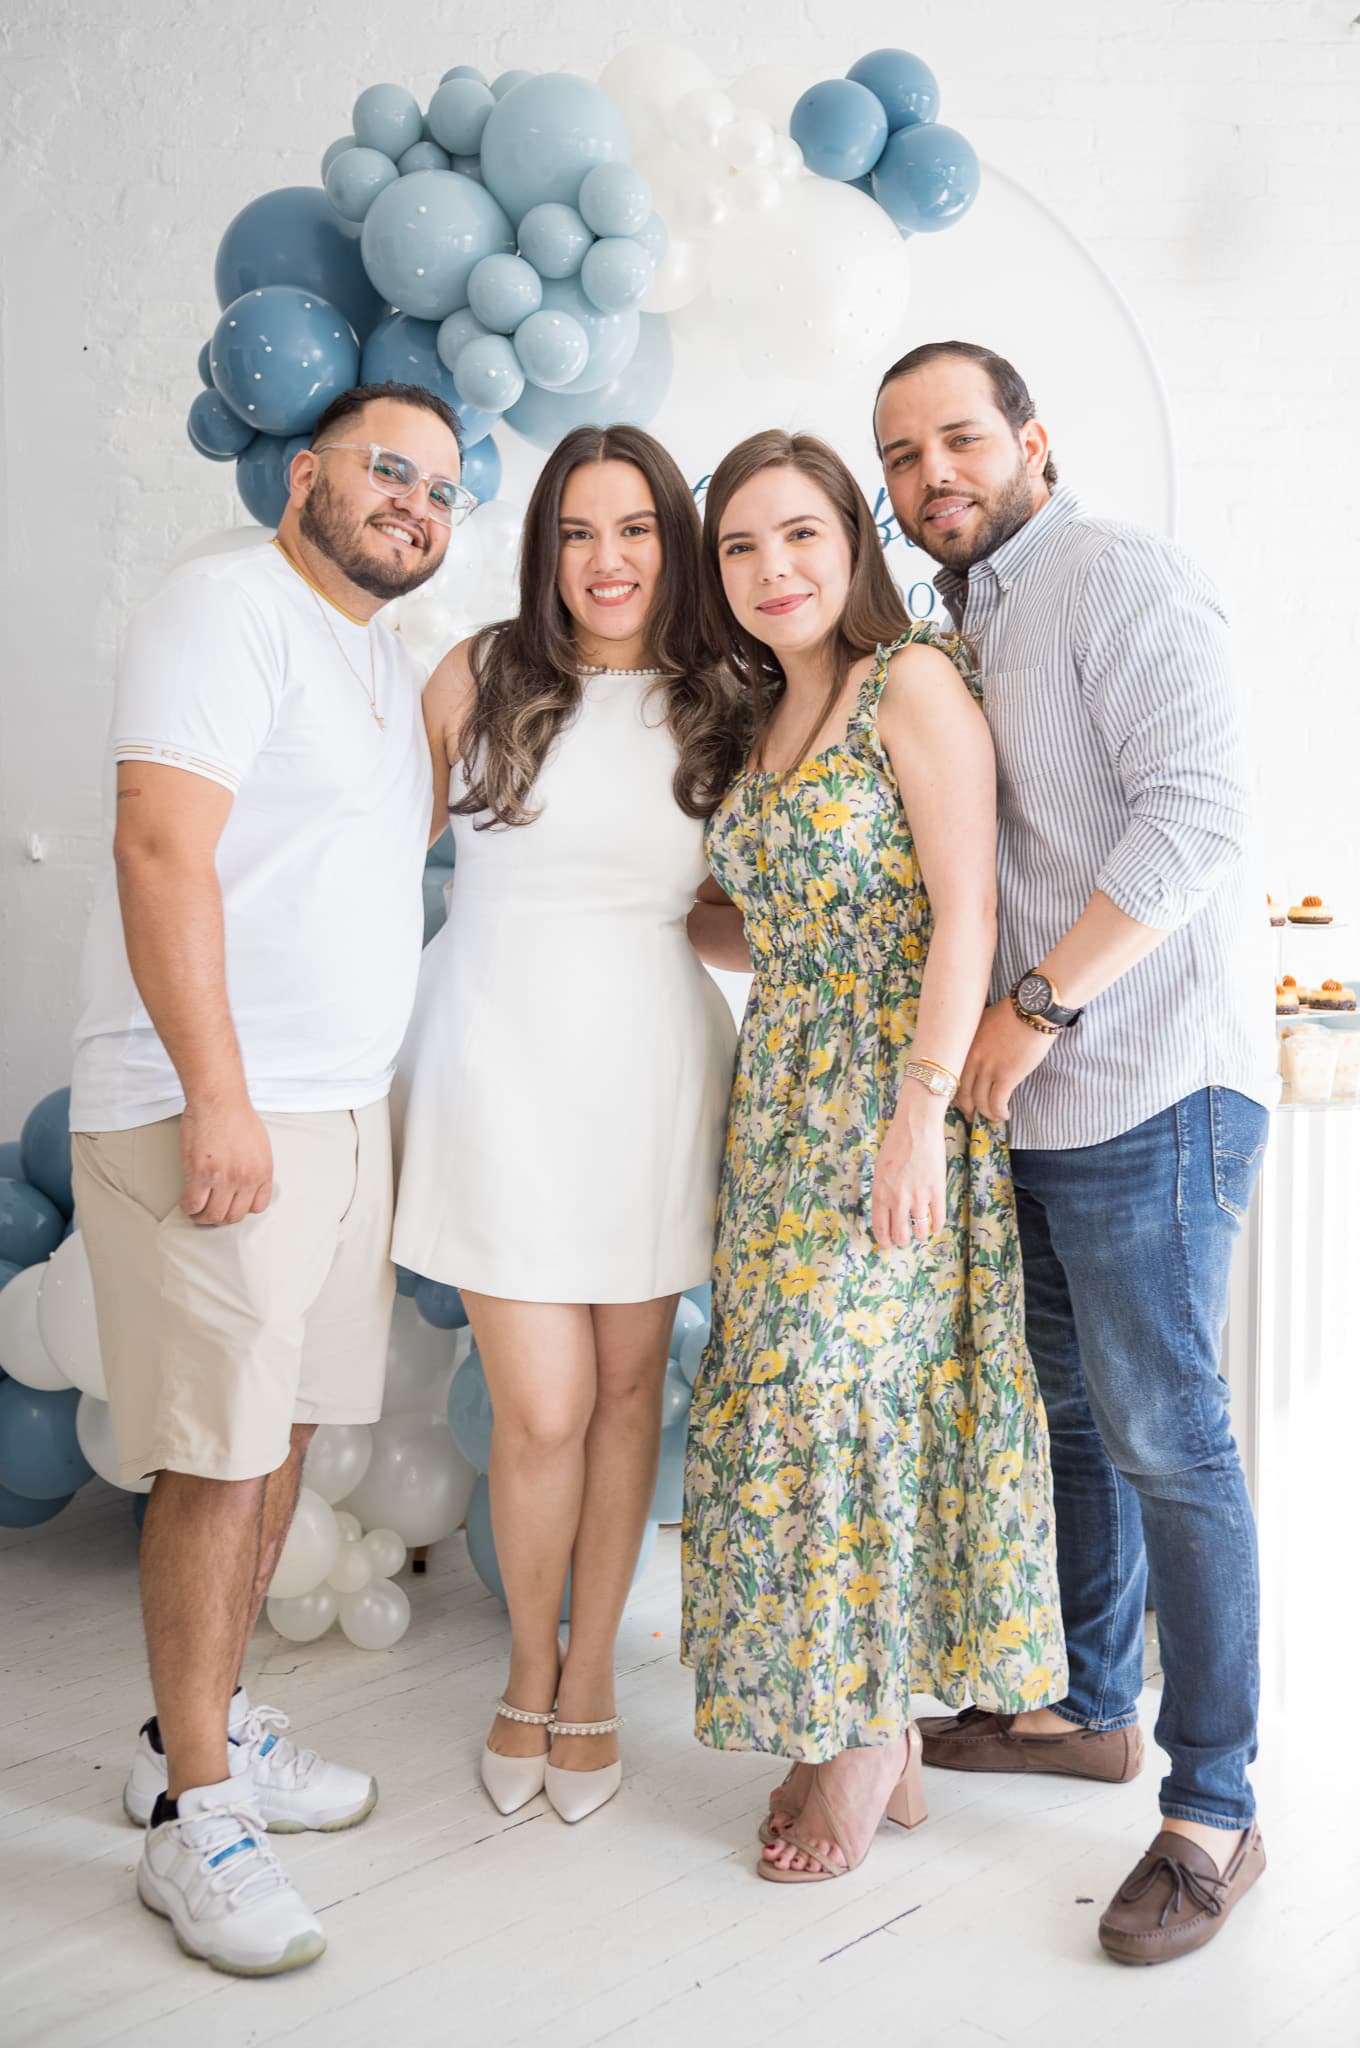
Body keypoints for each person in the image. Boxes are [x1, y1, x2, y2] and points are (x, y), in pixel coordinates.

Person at [875, 339, 1276, 1964]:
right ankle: (1086, 1708)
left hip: (1152, 1084)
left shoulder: (1118, 578)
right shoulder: (959, 621)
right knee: (1074, 1421)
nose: (931, 479)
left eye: (959, 441)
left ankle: (1217, 1810)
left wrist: (1034, 1007)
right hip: (1035, 1106)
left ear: (1035, 440)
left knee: (1171, 1437)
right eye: (901, 459)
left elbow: (1198, 815)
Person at [69, 382, 469, 1976]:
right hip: (210, 1113)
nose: (415, 507)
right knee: (217, 1464)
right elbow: (159, 848)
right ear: (305, 474)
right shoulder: (221, 607)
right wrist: (219, 1098)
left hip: (333, 1118)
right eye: (389, 471)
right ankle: (198, 1827)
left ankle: (202, 1737)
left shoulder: (373, 657)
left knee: (284, 1439)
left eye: (441, 491)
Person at [681, 429, 1067, 1886]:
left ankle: (860, 1732)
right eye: (739, 547)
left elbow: (963, 912)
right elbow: (743, 916)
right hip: (778, 1102)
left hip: (891, 1105)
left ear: (852, 541)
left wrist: (918, 1115)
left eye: (798, 535)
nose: (772, 569)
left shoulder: (906, 681)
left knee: (846, 1409)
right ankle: (850, 1714)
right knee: (779, 1417)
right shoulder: (759, 715)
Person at [393, 424, 743, 1825]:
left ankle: (590, 1674)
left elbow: (725, 909)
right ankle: (524, 1673)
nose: (608, 561)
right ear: (546, 550)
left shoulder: (721, 700)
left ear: (672, 542)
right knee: (536, 1410)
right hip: (496, 1069)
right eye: (579, 534)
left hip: (652, 1069)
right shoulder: (477, 674)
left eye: (637, 530)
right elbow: (372, 862)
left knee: (621, 1400)